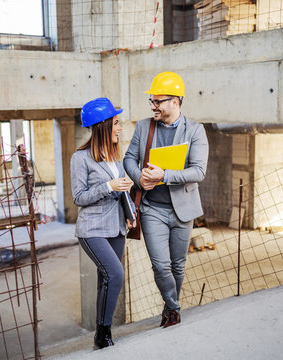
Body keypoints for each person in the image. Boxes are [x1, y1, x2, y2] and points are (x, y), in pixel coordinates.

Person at [123, 71, 208, 328]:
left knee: (178, 266)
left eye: (158, 101)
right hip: (152, 209)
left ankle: (170, 310)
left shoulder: (195, 130)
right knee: (161, 266)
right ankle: (174, 307)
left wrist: (165, 175)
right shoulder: (143, 127)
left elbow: (199, 171)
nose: (153, 105)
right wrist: (140, 178)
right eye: (152, 100)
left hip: (183, 209)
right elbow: (128, 159)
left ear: (176, 101)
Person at [71, 97, 135, 349]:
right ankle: (104, 334)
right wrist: (108, 185)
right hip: (92, 228)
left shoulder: (114, 156)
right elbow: (79, 197)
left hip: (116, 226)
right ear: (103, 125)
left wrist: (129, 213)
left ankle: (100, 333)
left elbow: (121, 192)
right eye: (116, 123)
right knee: (115, 273)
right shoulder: (81, 158)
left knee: (105, 279)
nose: (119, 128)